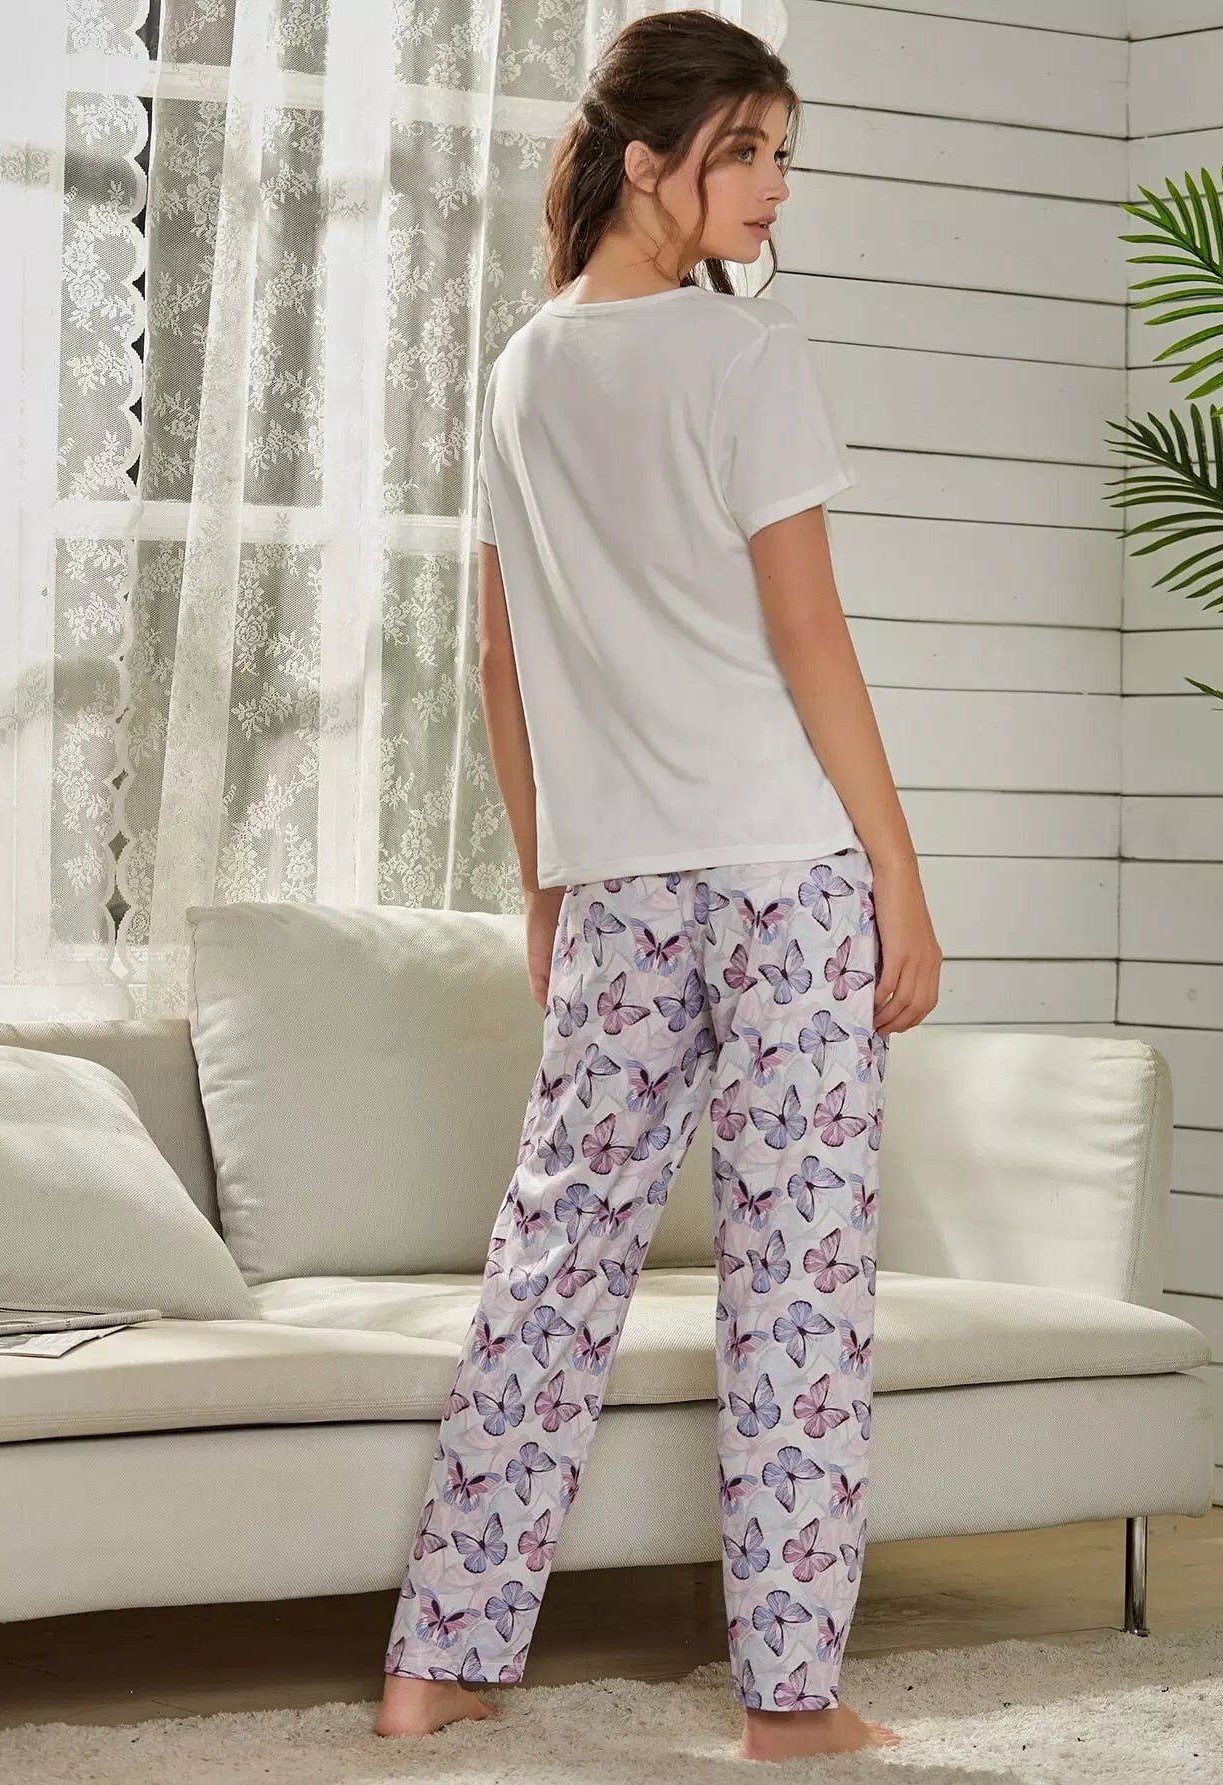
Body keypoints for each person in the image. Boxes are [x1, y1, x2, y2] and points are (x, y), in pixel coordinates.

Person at [375, 7, 941, 1762]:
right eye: (742, 151)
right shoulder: (743, 355)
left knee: (553, 1258)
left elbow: (501, 656)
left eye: (783, 154)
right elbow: (809, 635)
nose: (773, 188)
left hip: (618, 882)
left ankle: (437, 1660)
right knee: (798, 1285)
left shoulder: (520, 372)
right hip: (784, 872)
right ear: (647, 162)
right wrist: (899, 873)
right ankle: (789, 1700)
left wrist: (545, 875)